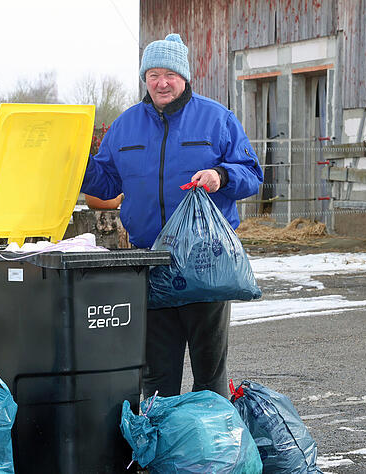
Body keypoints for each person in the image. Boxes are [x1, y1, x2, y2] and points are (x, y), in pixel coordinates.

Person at [81, 33, 263, 398]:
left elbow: (252, 175)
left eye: (169, 74)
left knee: (209, 379)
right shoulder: (125, 126)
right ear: (145, 79)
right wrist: (73, 162)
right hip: (149, 262)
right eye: (153, 75)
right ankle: (161, 450)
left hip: (205, 263)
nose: (161, 83)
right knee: (156, 380)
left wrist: (221, 176)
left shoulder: (217, 119)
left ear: (184, 77)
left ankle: (209, 450)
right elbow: (103, 184)